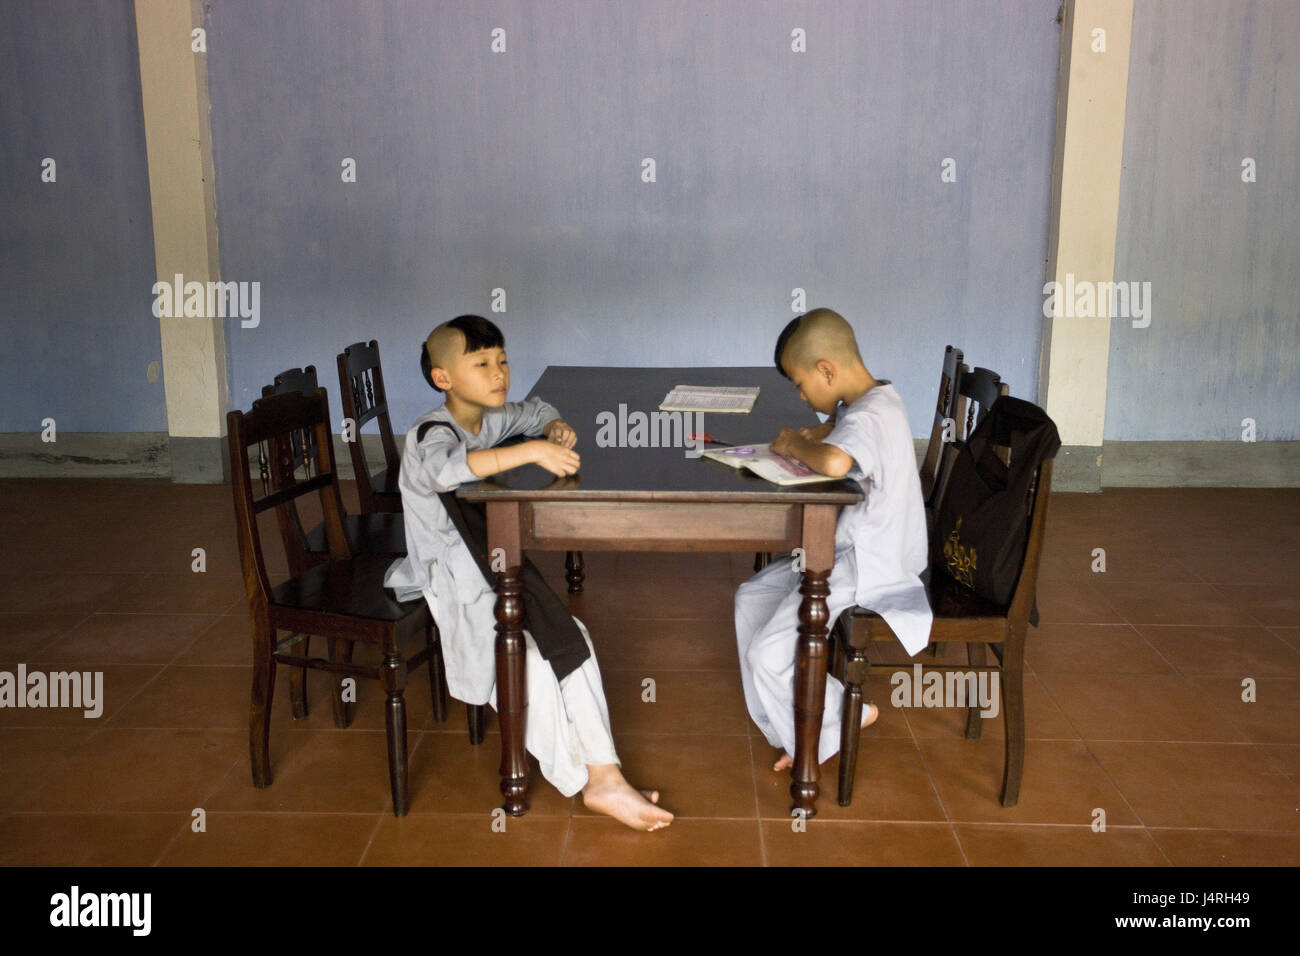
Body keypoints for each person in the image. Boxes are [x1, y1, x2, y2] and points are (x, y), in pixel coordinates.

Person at [384, 314, 672, 831]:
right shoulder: (430, 433)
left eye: (502, 361)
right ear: (442, 378)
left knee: (572, 634)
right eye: (481, 364)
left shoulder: (487, 420)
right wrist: (534, 449)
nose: (499, 373)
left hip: (493, 567)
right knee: (528, 665)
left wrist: (552, 427)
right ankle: (587, 781)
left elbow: (536, 409)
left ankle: (606, 773)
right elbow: (446, 470)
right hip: (452, 583)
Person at [735, 308, 933, 772]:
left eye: (802, 384)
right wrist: (826, 430)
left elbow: (837, 464)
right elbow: (849, 428)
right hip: (848, 548)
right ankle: (788, 725)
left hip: (869, 563)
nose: (802, 396)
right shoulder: (875, 401)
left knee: (765, 656)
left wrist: (795, 446)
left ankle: (842, 715)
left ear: (827, 369)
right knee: (749, 598)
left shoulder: (869, 418)